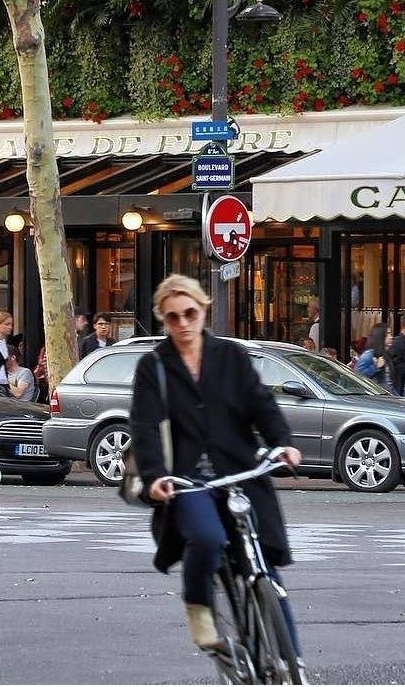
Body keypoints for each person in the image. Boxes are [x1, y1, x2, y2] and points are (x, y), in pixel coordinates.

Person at [130, 274, 303, 653]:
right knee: (207, 538)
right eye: (172, 317)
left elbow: (262, 404)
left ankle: (295, 669)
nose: (183, 323)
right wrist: (156, 476)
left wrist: (283, 443)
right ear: (163, 318)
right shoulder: (153, 366)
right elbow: (144, 427)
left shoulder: (231, 356)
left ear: (203, 309)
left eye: (190, 313)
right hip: (187, 479)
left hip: (238, 472)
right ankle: (197, 603)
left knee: (265, 566)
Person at [353, 322, 396, 394]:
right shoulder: (369, 354)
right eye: (387, 334)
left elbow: (389, 383)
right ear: (380, 336)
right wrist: (375, 367)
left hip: (387, 396)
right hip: (375, 397)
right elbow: (357, 375)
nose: (391, 337)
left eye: (390, 334)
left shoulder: (386, 354)